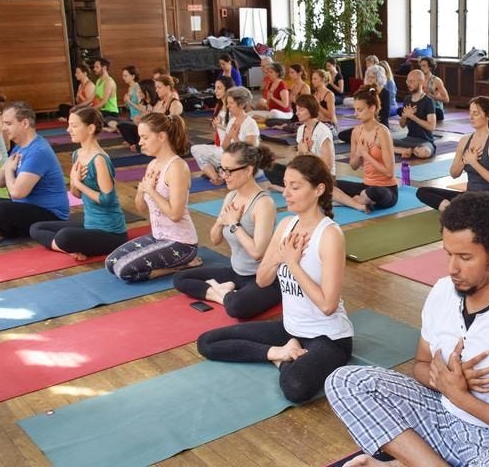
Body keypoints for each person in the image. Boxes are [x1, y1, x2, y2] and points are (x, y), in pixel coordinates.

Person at [326, 192, 489, 466]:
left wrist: (461, 396)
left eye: (465, 257)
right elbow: (420, 364)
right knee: (344, 381)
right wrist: (442, 380)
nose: (452, 268)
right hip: (440, 413)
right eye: (448, 253)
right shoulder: (442, 291)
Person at [197, 154, 353, 403]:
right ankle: (280, 353)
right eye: (286, 185)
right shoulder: (286, 225)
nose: (286, 193)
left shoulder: (330, 235)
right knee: (208, 341)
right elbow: (262, 280)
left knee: (295, 387)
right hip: (289, 329)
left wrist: (293, 263)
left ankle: (284, 360)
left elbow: (327, 306)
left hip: (327, 337)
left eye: (295, 186)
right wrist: (279, 257)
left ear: (318, 190)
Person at [174, 142, 281, 319]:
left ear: (248, 170)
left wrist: (233, 224)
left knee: (236, 308)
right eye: (222, 169)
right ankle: (223, 294)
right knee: (180, 279)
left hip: (263, 279)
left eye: (229, 171)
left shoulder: (264, 204)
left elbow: (258, 253)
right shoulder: (231, 196)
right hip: (235, 272)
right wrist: (220, 221)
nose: (224, 176)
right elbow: (215, 239)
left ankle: (222, 293)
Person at [106, 113, 201, 281]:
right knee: (110, 263)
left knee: (124, 271)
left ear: (162, 136)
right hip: (159, 237)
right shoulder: (153, 164)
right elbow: (141, 208)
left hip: (181, 243)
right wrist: (141, 191)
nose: (140, 142)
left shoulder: (177, 167)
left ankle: (182, 265)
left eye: (144, 137)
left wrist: (150, 191)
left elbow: (175, 215)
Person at [29, 107, 127, 260]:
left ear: (90, 128)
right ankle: (70, 249)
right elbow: (76, 194)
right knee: (36, 228)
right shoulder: (77, 154)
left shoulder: (99, 159)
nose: (68, 130)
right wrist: (75, 183)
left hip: (111, 233)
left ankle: (69, 246)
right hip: (90, 224)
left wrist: (77, 182)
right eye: (69, 125)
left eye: (74, 126)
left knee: (64, 236)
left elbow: (107, 200)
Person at [0, 103, 69, 245]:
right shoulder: (19, 147)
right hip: (24, 207)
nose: (3, 128)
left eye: (8, 124)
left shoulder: (37, 151)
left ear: (25, 123)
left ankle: (0, 231)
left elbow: (16, 193)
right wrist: (7, 170)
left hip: (50, 215)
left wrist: (8, 170)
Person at [416, 97, 489, 211]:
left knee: (475, 208)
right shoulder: (464, 141)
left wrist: (474, 162)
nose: (471, 117)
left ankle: (457, 212)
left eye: (476, 113)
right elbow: (454, 174)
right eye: (470, 113)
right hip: (470, 196)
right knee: (423, 191)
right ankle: (450, 209)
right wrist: (464, 160)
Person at [332, 86, 398, 213]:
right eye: (355, 110)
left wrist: (366, 155)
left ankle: (350, 200)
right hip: (366, 185)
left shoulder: (382, 132)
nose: (356, 114)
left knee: (373, 191)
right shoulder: (356, 132)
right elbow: (353, 166)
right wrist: (358, 154)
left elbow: (389, 172)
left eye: (360, 110)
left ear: (372, 108)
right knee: (330, 185)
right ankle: (359, 202)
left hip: (386, 189)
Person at [264, 94, 336, 190]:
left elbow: (328, 166)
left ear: (311, 110)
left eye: (301, 110)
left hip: (321, 176)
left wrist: (307, 152)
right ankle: (294, 186)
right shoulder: (301, 129)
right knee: (270, 168)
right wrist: (300, 155)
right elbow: (301, 159)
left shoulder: (323, 131)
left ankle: (290, 187)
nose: (297, 113)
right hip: (306, 172)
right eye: (297, 110)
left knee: (290, 176)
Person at [195, 86, 260, 186]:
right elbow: (225, 147)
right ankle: (217, 177)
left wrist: (235, 137)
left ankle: (223, 174)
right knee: (196, 150)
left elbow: (250, 153)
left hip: (245, 163)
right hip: (231, 159)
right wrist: (229, 136)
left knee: (233, 165)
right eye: (227, 103)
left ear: (242, 104)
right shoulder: (232, 121)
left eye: (231, 103)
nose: (228, 106)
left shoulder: (250, 124)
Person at [187, 77, 235, 170]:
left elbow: (235, 132)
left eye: (219, 88)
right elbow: (218, 132)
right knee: (194, 149)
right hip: (219, 148)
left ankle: (220, 169)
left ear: (228, 89)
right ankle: (219, 170)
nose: (215, 91)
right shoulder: (218, 106)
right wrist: (215, 126)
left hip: (231, 150)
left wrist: (220, 126)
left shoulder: (234, 107)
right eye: (215, 88)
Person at [337, 65, 391, 144]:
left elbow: (385, 115)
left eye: (372, 77)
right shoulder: (368, 90)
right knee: (342, 135)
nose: (369, 79)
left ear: (379, 78)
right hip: (366, 124)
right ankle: (365, 139)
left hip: (379, 124)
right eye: (368, 77)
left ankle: (368, 139)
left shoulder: (385, 93)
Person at [394, 69, 437, 159]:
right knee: (380, 143)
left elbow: (431, 127)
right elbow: (402, 125)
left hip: (424, 141)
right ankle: (406, 151)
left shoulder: (428, 101)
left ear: (420, 82)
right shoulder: (407, 99)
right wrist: (404, 117)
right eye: (407, 81)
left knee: (424, 152)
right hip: (409, 139)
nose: (408, 84)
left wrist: (412, 117)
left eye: (411, 81)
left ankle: (406, 150)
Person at [114, 79, 159, 151]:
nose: (138, 93)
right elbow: (140, 116)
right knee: (121, 125)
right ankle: (134, 144)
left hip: (152, 133)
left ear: (147, 91)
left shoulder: (158, 103)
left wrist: (142, 120)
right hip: (143, 129)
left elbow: (155, 123)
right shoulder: (145, 102)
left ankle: (138, 146)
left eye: (140, 91)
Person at [420, 57, 449, 121]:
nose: (422, 68)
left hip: (435, 109)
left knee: (434, 112)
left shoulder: (437, 81)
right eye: (421, 66)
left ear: (430, 67)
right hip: (422, 107)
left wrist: (430, 95)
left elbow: (446, 99)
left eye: (424, 65)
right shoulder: (419, 79)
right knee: (401, 110)